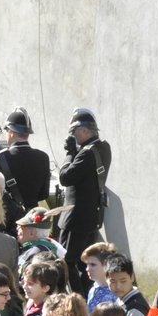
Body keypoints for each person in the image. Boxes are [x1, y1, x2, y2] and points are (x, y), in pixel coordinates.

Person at [56, 107, 111, 292]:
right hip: (92, 216)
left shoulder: (86, 153)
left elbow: (65, 177)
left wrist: (70, 152)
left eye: (75, 132)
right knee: (86, 264)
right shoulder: (103, 148)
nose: (73, 136)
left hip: (76, 218)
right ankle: (89, 298)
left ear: (84, 131)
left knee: (66, 261)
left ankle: (78, 300)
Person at [0, 106, 52, 215]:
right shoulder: (44, 157)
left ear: (11, 132)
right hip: (31, 218)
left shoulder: (0, 157)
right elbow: (44, 195)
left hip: (5, 218)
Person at [81, 242, 120, 310]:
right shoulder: (93, 289)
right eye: (87, 264)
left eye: (93, 265)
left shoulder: (115, 294)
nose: (87, 269)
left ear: (107, 265)